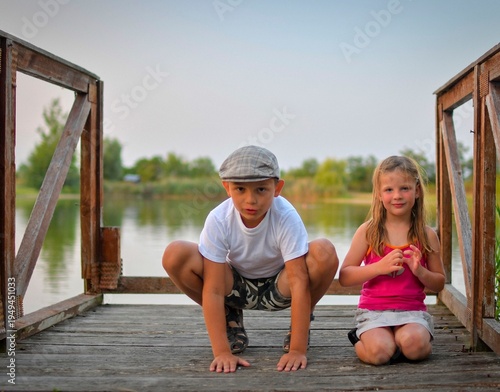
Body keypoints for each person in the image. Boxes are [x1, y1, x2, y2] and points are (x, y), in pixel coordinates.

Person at [162, 145, 338, 373]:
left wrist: (297, 349)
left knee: (324, 250)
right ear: (227, 188)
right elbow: (214, 289)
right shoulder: (219, 219)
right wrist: (222, 352)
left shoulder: (285, 216)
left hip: (281, 287)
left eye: (261, 190)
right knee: (175, 253)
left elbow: (298, 281)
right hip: (235, 288)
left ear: (277, 188)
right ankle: (230, 319)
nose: (250, 200)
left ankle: (299, 327)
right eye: (240, 189)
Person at [339, 155, 445, 365]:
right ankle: (363, 338)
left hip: (412, 312)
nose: (397, 196)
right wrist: (378, 267)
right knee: (379, 353)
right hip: (374, 312)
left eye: (404, 188)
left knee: (414, 347)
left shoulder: (427, 235)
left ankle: (404, 341)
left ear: (417, 191)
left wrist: (420, 272)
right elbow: (345, 276)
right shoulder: (368, 232)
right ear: (379, 194)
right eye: (389, 190)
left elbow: (440, 282)